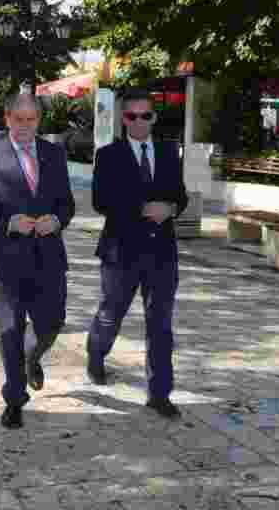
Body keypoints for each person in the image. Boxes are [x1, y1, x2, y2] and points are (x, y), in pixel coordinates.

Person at [0, 92, 76, 429]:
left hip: (49, 257)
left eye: (32, 119)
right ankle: (14, 398)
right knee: (9, 330)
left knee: (52, 322)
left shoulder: (54, 154)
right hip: (6, 260)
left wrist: (57, 221)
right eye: (20, 119)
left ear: (39, 121)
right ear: (8, 118)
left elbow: (67, 204)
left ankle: (33, 357)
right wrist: (7, 223)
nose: (26, 126)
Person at [86, 88, 188, 419]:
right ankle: (96, 354)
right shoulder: (109, 154)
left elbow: (181, 196)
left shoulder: (170, 151)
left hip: (161, 252)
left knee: (160, 325)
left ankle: (159, 393)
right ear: (123, 119)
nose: (139, 122)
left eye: (146, 115)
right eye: (132, 116)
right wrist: (143, 208)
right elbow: (101, 201)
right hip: (121, 251)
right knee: (110, 314)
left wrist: (171, 208)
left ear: (154, 117)